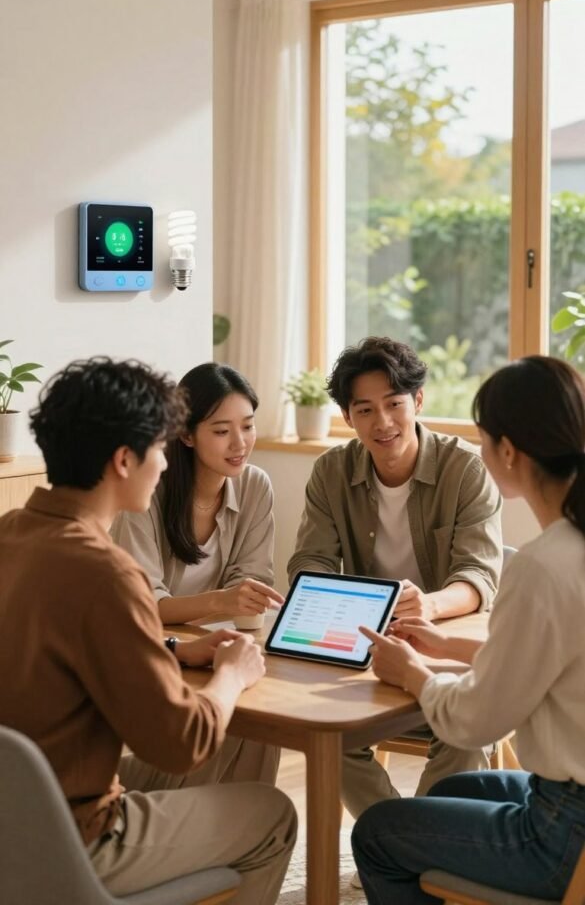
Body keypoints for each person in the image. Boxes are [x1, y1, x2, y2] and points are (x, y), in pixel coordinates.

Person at [0, 358, 296, 904]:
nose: (164, 464)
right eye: (160, 447)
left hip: (17, 810)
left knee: (242, 746)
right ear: (123, 460)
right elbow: (183, 743)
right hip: (77, 836)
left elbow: (60, 647)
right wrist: (231, 675)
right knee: (273, 814)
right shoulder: (108, 573)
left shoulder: (10, 534)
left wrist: (177, 649)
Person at [352, 355, 585, 903]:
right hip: (565, 800)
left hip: (561, 832)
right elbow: (553, 661)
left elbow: (476, 721)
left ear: (509, 451)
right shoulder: (570, 551)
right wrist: (446, 644)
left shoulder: (542, 566)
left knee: (377, 834)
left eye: (484, 439)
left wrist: (413, 673)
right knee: (453, 791)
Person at [288, 336, 503, 817]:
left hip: (444, 649)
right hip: (367, 649)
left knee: (468, 729)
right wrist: (345, 606)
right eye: (364, 410)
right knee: (322, 730)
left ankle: (410, 838)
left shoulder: (465, 469)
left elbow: (478, 575)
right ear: (348, 417)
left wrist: (430, 604)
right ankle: (396, 836)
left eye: (394, 404)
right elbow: (309, 564)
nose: (382, 422)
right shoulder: (330, 472)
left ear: (418, 401)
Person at [111, 362, 284, 627]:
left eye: (248, 426)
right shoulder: (144, 493)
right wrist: (220, 601)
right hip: (145, 638)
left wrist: (235, 605)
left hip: (212, 635)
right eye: (222, 431)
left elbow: (250, 583)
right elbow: (143, 603)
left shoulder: (254, 486)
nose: (239, 443)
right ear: (186, 435)